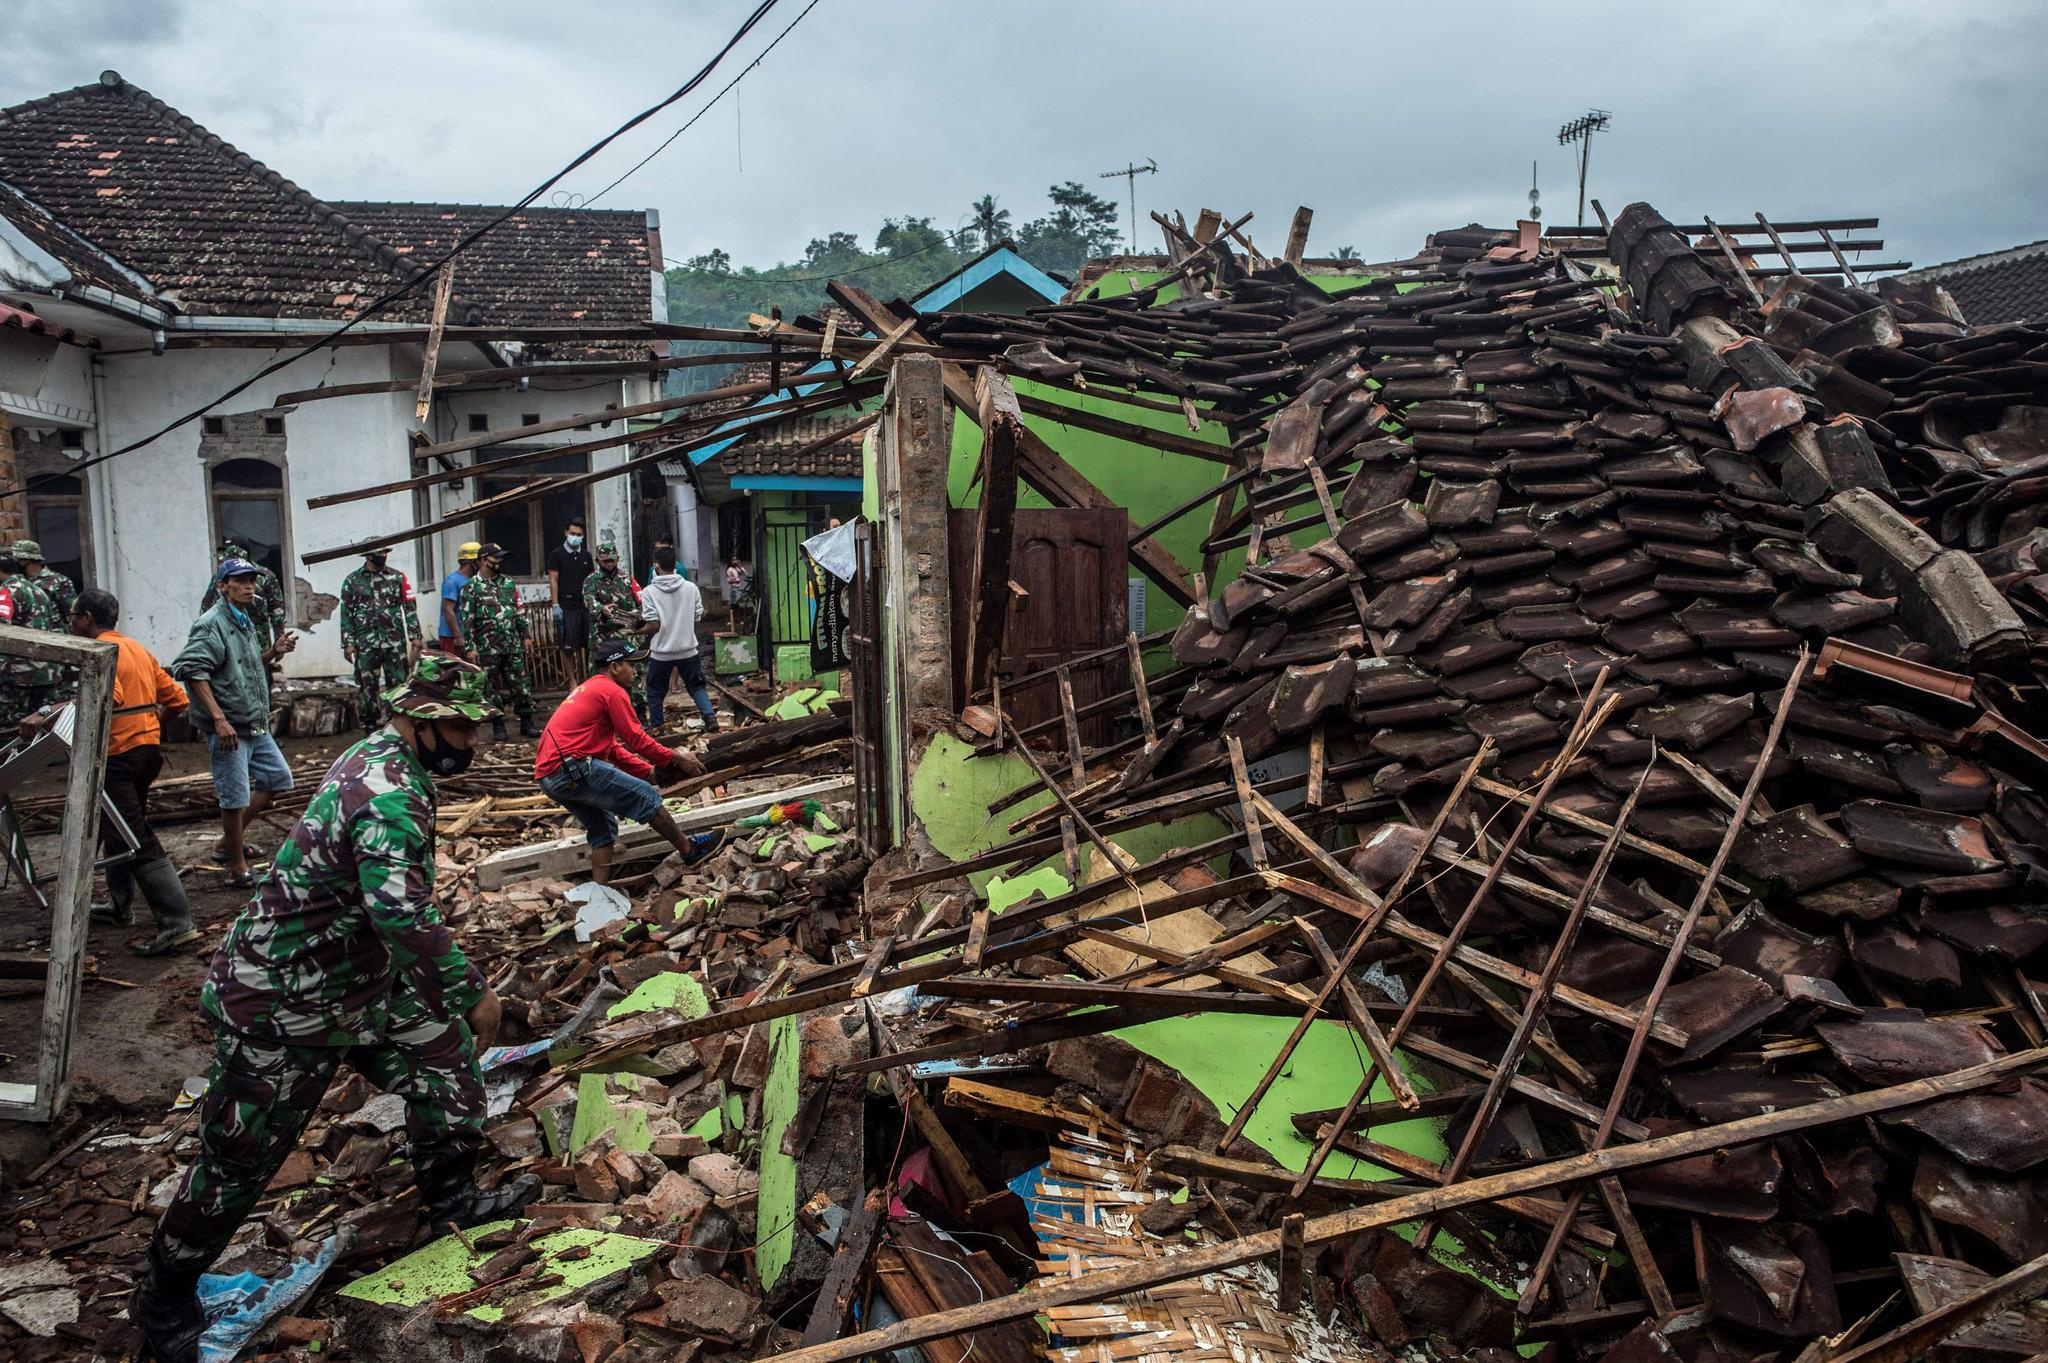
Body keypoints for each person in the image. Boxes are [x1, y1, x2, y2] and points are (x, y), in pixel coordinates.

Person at [128, 654, 540, 1363]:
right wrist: (475, 992)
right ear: (418, 721)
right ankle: (164, 1298)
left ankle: (452, 1204)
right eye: (461, 727)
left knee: (444, 1063)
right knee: (240, 1159)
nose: (473, 741)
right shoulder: (387, 791)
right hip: (282, 998)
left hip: (358, 979)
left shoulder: (390, 761)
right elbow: (401, 913)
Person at [20, 588, 200, 955]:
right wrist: (149, 724)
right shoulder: (137, 648)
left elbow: (109, 695)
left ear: (87, 618)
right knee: (117, 826)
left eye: (73, 616)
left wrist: (47, 713)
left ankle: (177, 922)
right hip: (146, 752)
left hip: (119, 756)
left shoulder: (101, 651)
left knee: (134, 832)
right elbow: (177, 701)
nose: (71, 622)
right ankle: (120, 906)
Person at [535, 639, 721, 885]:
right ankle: (690, 850)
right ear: (615, 667)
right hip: (573, 768)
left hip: (550, 777)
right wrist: (677, 758)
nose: (635, 671)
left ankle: (599, 891)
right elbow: (636, 739)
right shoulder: (611, 691)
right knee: (646, 797)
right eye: (631, 665)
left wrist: (649, 772)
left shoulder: (589, 689)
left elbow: (612, 749)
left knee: (603, 829)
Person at [171, 558, 298, 888]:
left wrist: (274, 651)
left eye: (251, 580)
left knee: (277, 778)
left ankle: (227, 843)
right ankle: (237, 868)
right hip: (229, 727)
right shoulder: (211, 623)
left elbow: (248, 662)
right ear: (222, 586)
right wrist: (219, 719)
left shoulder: (244, 620)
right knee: (234, 797)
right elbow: (190, 669)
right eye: (240, 581)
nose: (248, 586)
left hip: (252, 721)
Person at [458, 542, 537, 740]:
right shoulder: (471, 587)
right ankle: (498, 725)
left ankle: (527, 722)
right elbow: (467, 621)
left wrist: (526, 636)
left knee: (521, 685)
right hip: (487, 647)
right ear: (484, 560)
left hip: (511, 644)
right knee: (490, 687)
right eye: (496, 558)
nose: (500, 561)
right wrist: (470, 648)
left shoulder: (508, 583)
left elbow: (519, 611)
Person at [339, 549, 422, 734]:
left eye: (385, 552)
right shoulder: (352, 581)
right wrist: (348, 643)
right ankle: (369, 724)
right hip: (366, 643)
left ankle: (398, 723)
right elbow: (346, 613)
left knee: (399, 683)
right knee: (367, 685)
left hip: (394, 641)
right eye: (379, 553)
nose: (383, 556)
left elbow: (409, 607)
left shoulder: (398, 577)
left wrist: (415, 635)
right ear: (368, 555)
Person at [639, 548, 716, 732]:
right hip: (688, 649)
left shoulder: (649, 592)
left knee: (655, 692)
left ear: (656, 566)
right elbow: (698, 616)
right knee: (696, 687)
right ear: (675, 565)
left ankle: (658, 727)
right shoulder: (691, 588)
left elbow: (652, 623)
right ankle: (709, 717)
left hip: (661, 653)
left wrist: (636, 630)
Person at [0, 545, 64, 731]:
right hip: (47, 671)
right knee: (42, 727)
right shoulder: (37, 590)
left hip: (18, 677)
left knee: (13, 731)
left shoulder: (7, 592)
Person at [199, 540, 287, 652]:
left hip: (258, 637)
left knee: (258, 660)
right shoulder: (221, 577)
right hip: (228, 635)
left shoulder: (266, 575)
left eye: (251, 580)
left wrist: (278, 640)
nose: (248, 585)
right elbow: (207, 605)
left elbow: (277, 610)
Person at [545, 517, 594, 658]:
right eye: (573, 533)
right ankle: (572, 674)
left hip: (585, 605)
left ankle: (588, 671)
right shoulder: (556, 554)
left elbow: (591, 580)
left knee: (590, 644)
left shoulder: (586, 555)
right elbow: (553, 579)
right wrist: (555, 604)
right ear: (566, 533)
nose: (575, 537)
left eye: (579, 535)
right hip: (566, 606)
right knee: (568, 647)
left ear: (583, 536)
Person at [13, 538, 76, 619]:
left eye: (15, 560)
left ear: (24, 561)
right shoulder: (17, 581)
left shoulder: (59, 581)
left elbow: (71, 613)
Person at [437, 541, 481, 654]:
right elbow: (448, 610)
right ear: (472, 562)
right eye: (480, 561)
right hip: (452, 637)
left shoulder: (475, 580)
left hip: (469, 635)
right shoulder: (452, 581)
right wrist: (458, 636)